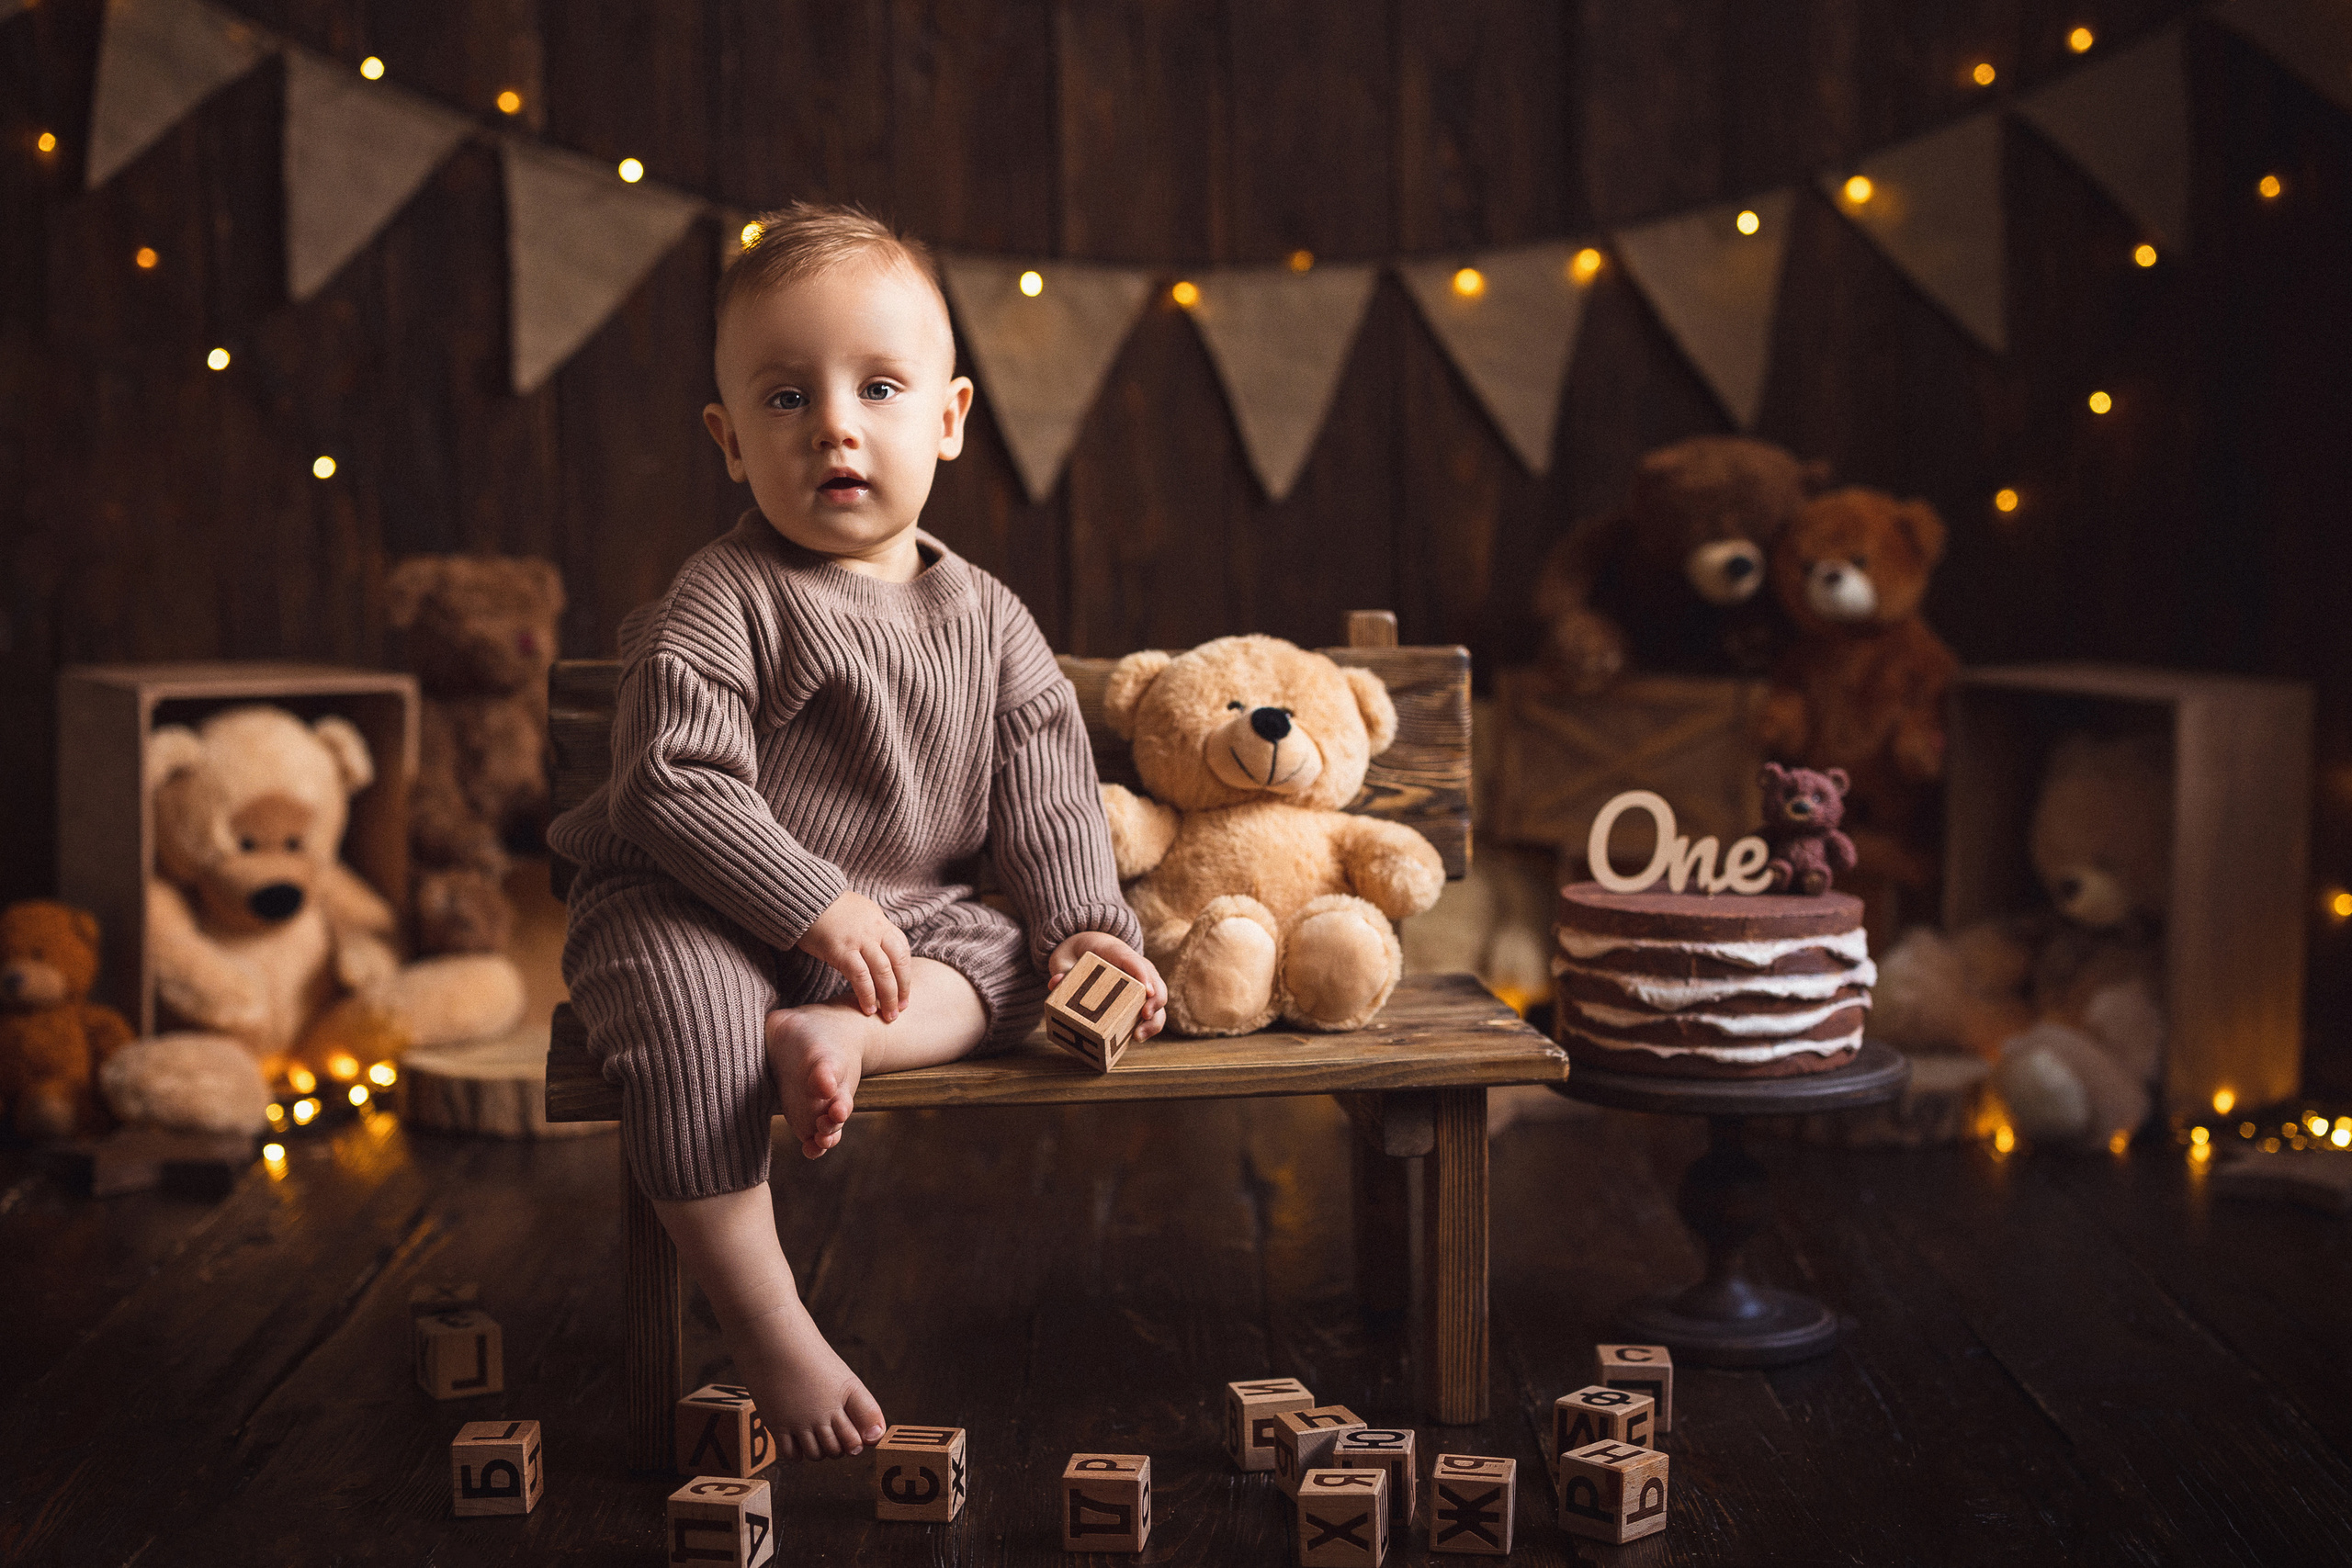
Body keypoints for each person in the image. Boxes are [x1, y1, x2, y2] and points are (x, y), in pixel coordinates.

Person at [548, 202, 1164, 1464]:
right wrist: (809, 901)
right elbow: (670, 784)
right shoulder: (723, 596)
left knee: (1002, 964)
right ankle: (768, 1321)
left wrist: (1088, 936)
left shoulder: (991, 620)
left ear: (946, 419)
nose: (834, 422)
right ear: (727, 441)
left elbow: (1049, 801)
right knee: (690, 1019)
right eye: (785, 399)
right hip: (688, 902)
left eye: (878, 387)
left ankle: (845, 1036)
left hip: (898, 923)